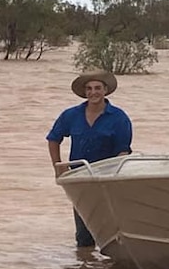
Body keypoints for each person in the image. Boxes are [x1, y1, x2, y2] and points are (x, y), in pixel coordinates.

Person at [46, 70, 133, 247]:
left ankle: (110, 261)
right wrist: (58, 167)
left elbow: (123, 151)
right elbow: (53, 138)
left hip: (107, 176)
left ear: (105, 90)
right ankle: (85, 266)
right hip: (79, 176)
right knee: (84, 230)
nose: (93, 92)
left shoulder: (119, 118)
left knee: (110, 225)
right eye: (89, 88)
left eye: (97, 88)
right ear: (85, 92)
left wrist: (114, 176)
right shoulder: (71, 115)